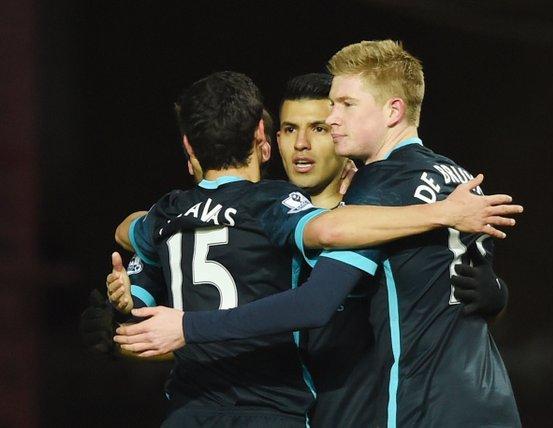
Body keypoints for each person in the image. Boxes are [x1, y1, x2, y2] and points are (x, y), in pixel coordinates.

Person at [116, 42, 522, 427]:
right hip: (487, 400)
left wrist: (188, 326)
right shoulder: (456, 178)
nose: (327, 124)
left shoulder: (374, 192)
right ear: (269, 140)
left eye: (342, 108)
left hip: (405, 407)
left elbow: (315, 298)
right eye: (290, 128)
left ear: (393, 110)